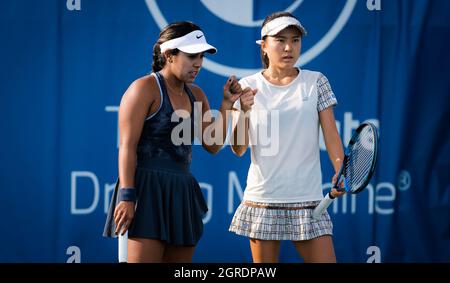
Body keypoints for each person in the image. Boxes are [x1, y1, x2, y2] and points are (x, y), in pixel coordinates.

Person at [103, 21, 245, 263]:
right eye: (191, 56)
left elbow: (213, 145)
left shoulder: (197, 94)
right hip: (145, 191)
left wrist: (227, 105)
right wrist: (127, 196)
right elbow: (127, 147)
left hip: (181, 192)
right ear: (169, 55)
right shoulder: (143, 88)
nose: (198, 63)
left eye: (201, 56)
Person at [228, 12, 345, 263]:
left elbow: (331, 135)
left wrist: (340, 169)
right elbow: (238, 149)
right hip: (264, 201)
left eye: (295, 40)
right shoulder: (247, 86)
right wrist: (245, 112)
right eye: (280, 40)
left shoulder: (316, 81)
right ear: (264, 45)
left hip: (309, 201)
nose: (289, 47)